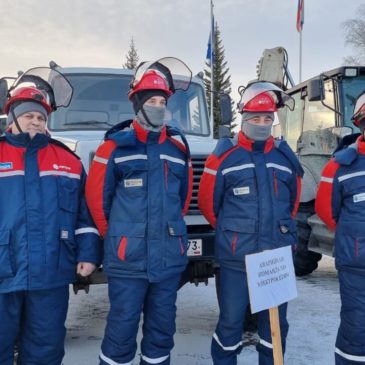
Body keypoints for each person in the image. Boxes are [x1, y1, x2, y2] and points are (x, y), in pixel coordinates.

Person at [85, 57, 193, 365]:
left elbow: (181, 201)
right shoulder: (113, 148)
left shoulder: (177, 150)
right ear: (138, 104)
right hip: (126, 260)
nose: (159, 106)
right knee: (121, 329)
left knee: (162, 330)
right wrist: (119, 239)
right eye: (152, 101)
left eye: (162, 101)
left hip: (168, 259)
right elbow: (97, 201)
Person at [198, 82, 303, 365]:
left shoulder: (284, 158)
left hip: (275, 259)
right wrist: (236, 232)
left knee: (274, 327)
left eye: (267, 118)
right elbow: (209, 205)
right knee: (231, 323)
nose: (261, 124)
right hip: (236, 260)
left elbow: (292, 204)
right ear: (243, 119)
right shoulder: (224, 157)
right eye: (255, 119)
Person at [0, 70, 101, 365]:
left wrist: (89, 254)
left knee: (45, 348)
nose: (36, 121)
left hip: (51, 272)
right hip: (4, 270)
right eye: (29, 115)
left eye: (41, 117)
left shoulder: (67, 161)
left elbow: (84, 215)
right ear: (13, 116)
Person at [316, 91, 365, 365]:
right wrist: (353, 234)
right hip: (357, 264)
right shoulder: (339, 166)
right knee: (356, 329)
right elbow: (326, 210)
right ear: (360, 124)